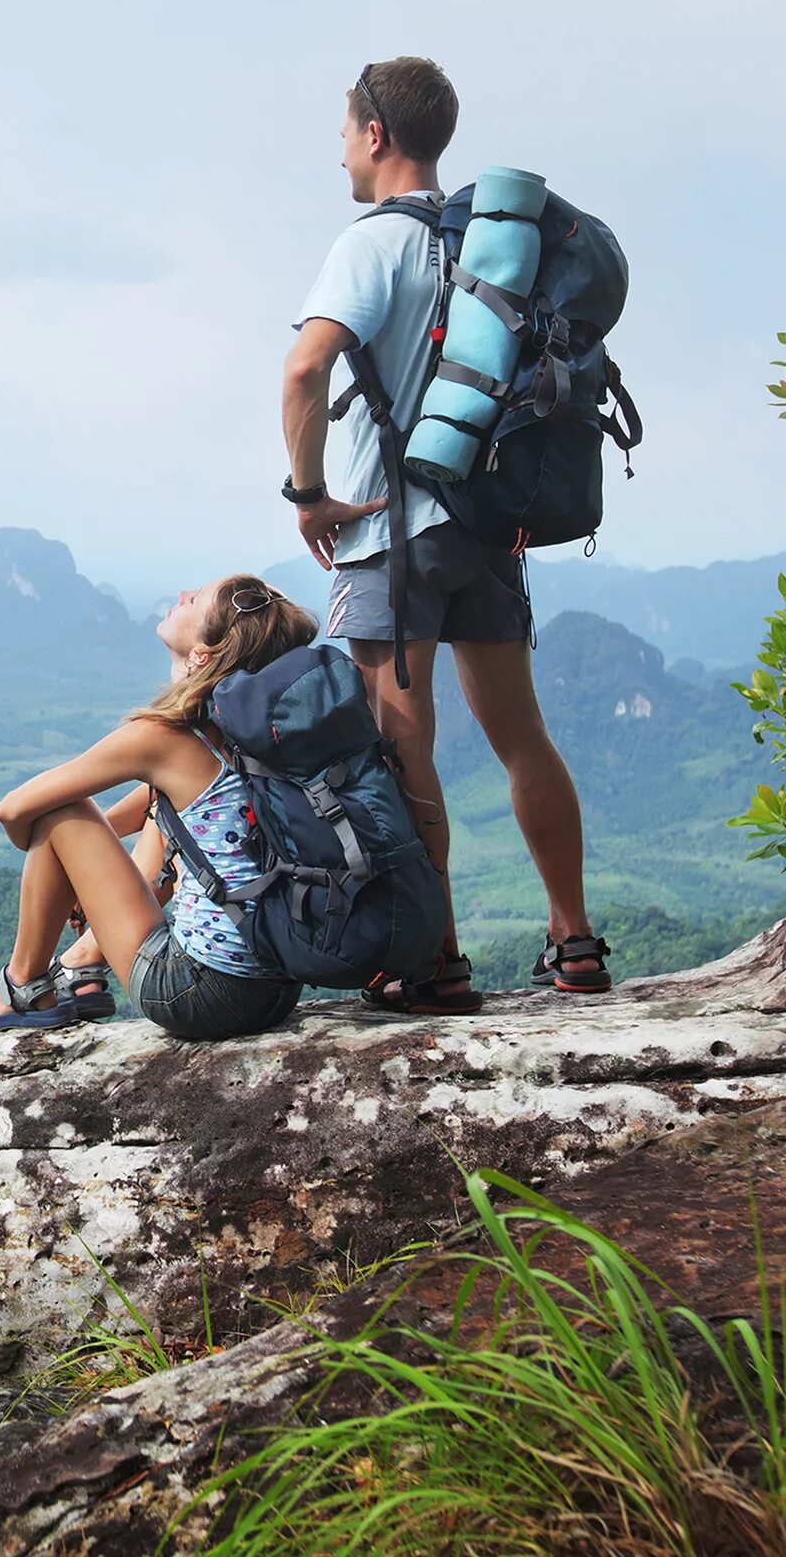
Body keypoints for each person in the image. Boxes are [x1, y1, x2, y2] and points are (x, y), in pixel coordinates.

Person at [278, 55, 611, 1011]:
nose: (340, 152)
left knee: (401, 741)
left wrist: (306, 493)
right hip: (488, 522)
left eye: (344, 133)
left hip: (391, 530)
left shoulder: (370, 242)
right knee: (523, 737)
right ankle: (573, 939)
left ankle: (433, 957)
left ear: (375, 135)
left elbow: (304, 371)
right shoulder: (487, 245)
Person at [0, 575, 316, 1045]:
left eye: (196, 600)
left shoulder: (166, 739)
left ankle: (21, 987)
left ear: (203, 655)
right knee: (163, 812)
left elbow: (13, 810)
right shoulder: (254, 729)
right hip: (277, 987)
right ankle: (83, 964)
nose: (183, 593)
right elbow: (149, 807)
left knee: (60, 811)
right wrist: (87, 870)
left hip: (198, 995)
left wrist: (60, 853)